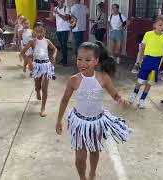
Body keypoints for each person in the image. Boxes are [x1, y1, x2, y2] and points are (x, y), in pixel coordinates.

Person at [55, 41, 132, 180]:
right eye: (79, 59)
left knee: (95, 151)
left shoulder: (103, 77)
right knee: (79, 158)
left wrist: (121, 100)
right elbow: (65, 100)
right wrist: (59, 120)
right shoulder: (74, 80)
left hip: (96, 123)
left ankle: (92, 172)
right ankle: (82, 177)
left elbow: (115, 95)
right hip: (79, 123)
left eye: (87, 60)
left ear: (96, 61)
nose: (82, 63)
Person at [129, 15, 163, 109]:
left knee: (149, 83)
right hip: (146, 60)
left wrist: (159, 65)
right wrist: (139, 61)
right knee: (140, 81)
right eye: (160, 25)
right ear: (155, 25)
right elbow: (142, 48)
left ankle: (142, 99)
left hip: (156, 62)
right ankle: (134, 95)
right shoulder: (148, 34)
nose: (162, 27)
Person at [21, 24, 57, 117]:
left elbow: (55, 49)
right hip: (36, 65)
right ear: (34, 32)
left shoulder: (47, 41)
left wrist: (53, 56)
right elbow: (23, 52)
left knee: (44, 88)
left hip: (46, 65)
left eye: (41, 31)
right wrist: (29, 62)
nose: (39, 33)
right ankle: (37, 91)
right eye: (37, 31)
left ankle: (43, 108)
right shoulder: (32, 41)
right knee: (38, 86)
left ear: (44, 31)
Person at [48, 0, 71, 66]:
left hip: (65, 29)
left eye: (61, 0)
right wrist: (51, 11)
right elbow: (52, 19)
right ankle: (63, 59)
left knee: (64, 44)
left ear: (63, 1)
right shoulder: (56, 9)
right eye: (58, 0)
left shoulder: (66, 8)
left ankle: (65, 61)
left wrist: (57, 13)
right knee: (61, 45)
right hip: (59, 30)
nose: (59, 1)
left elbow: (66, 18)